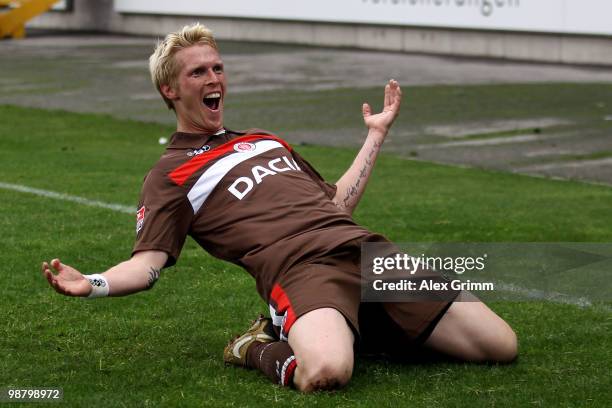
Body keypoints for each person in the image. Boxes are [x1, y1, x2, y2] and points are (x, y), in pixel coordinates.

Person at [41, 23, 517, 392]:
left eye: (218, 68)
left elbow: (337, 202)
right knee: (326, 373)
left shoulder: (265, 141)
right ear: (170, 90)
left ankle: (352, 324)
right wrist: (94, 284)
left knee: (499, 346)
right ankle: (257, 344)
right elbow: (147, 266)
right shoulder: (170, 174)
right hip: (300, 270)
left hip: (364, 249)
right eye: (198, 72)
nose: (214, 79)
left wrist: (375, 135)